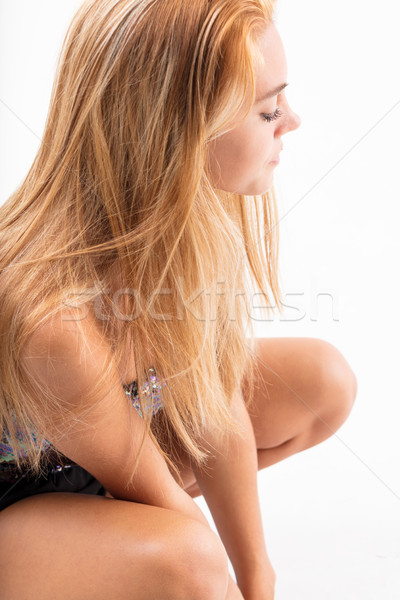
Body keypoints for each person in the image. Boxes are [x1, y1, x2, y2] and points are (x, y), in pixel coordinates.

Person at [0, 1, 357, 598]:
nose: (291, 120)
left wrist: (259, 580)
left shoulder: (188, 237)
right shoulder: (56, 323)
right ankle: (93, 557)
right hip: (17, 501)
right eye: (268, 109)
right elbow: (168, 509)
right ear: (179, 133)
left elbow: (213, 410)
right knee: (188, 565)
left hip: (100, 458)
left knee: (323, 381)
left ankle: (110, 549)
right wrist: (211, 574)